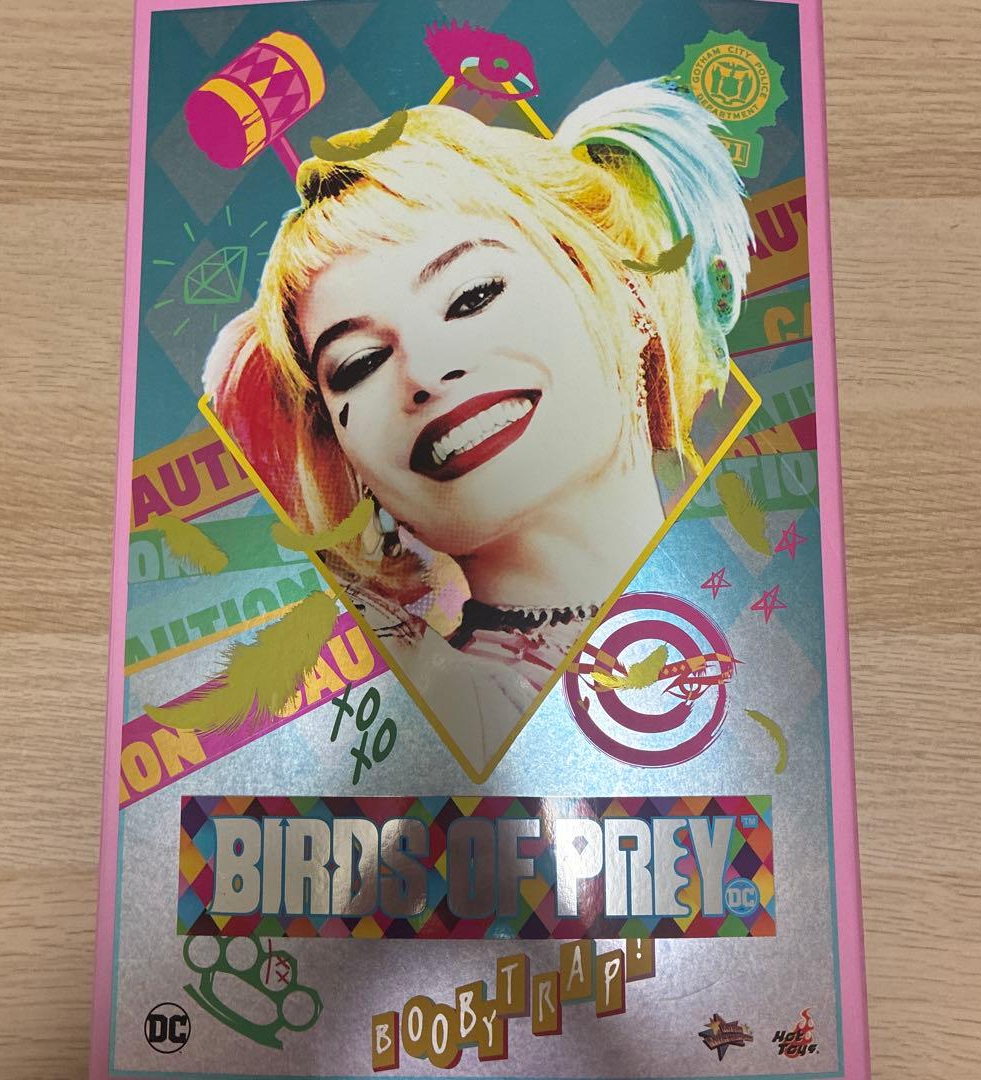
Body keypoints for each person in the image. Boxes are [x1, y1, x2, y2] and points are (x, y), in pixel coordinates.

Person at [203, 78, 753, 776]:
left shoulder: (775, 589)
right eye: (360, 364)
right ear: (348, 462)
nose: (423, 371)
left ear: (627, 292)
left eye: (472, 295)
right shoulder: (435, 731)